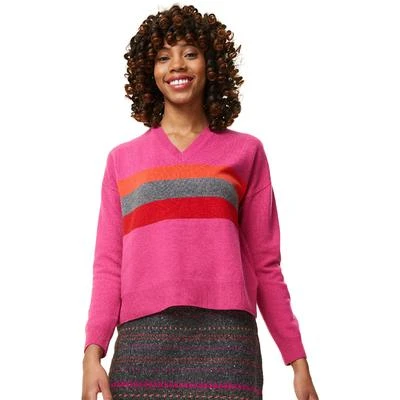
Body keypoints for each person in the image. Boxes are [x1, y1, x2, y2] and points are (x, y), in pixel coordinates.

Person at [82, 4, 319, 400]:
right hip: (143, 346)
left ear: (211, 64)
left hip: (228, 345)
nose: (177, 65)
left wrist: (297, 360)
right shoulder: (122, 161)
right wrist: (93, 353)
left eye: (190, 53)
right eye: (163, 57)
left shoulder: (246, 152)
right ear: (149, 71)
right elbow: (108, 265)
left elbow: (266, 264)